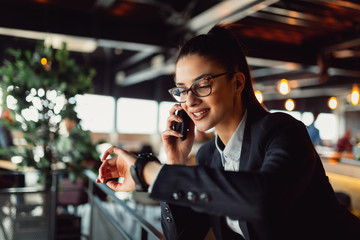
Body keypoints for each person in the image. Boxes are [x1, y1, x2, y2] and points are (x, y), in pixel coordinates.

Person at [97, 24, 360, 240]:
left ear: (237, 82)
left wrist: (151, 172)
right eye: (182, 90)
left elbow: (263, 199)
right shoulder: (209, 156)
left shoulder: (283, 131)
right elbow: (183, 237)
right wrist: (175, 162)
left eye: (202, 85)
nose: (189, 101)